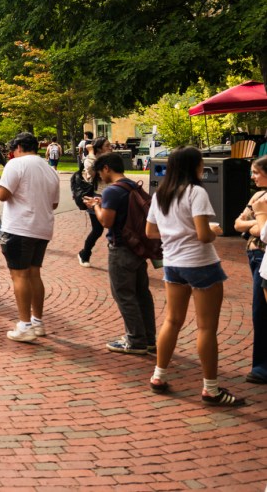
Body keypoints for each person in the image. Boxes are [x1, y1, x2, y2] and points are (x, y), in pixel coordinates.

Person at [146, 146, 243, 406]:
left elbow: (151, 232)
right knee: (206, 327)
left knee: (172, 320)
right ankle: (211, 389)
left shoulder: (161, 195)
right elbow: (203, 235)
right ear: (194, 167)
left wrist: (176, 232)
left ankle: (159, 375)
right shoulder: (196, 192)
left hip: (172, 263)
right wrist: (214, 229)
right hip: (200, 263)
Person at [89, 152, 156, 354]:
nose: (100, 176)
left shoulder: (112, 191)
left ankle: (135, 340)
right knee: (142, 293)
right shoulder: (132, 185)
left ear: (107, 168)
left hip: (121, 248)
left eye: (100, 172)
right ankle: (148, 337)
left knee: (124, 295)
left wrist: (96, 206)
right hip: (138, 247)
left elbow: (106, 222)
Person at [0, 132, 60, 342]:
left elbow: (2, 194)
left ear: (18, 148)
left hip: (20, 227)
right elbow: (54, 204)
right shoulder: (50, 170)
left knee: (20, 276)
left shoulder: (16, 164)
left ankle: (24, 325)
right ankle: (37, 322)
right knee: (34, 274)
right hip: (42, 227)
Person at [233, 155, 267, 384]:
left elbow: (263, 232)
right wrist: (256, 224)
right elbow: (238, 223)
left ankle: (261, 368)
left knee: (261, 310)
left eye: (256, 172)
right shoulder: (258, 196)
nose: (252, 176)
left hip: (264, 256)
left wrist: (257, 224)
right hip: (255, 255)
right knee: (259, 311)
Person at [78, 137, 113, 267]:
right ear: (98, 148)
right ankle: (85, 253)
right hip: (96, 198)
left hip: (112, 197)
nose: (110, 147)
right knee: (97, 230)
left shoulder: (111, 160)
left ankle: (115, 259)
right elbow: (91, 172)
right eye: (107, 146)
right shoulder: (90, 160)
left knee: (114, 228)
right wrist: (91, 153)